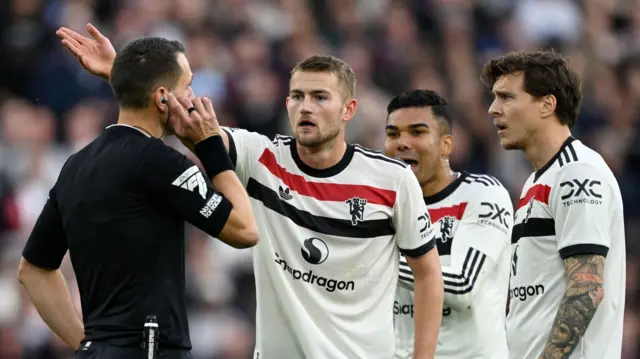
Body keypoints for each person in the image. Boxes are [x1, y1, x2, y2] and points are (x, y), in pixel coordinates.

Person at [56, 25, 445, 359]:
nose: (305, 106)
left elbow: (428, 274)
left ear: (349, 110)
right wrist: (123, 77)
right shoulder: (260, 156)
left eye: (320, 97)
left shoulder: (391, 180)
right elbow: (177, 119)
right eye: (297, 96)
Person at [17, 34, 259, 359]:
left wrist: (86, 346)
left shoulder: (76, 164)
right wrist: (210, 145)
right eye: (187, 86)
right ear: (162, 98)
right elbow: (244, 230)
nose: (192, 99)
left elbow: (33, 271)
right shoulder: (161, 162)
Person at [481, 51, 626, 359]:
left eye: (507, 97)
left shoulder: (578, 173)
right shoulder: (537, 181)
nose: (493, 109)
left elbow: (586, 289)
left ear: (547, 104)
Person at [383, 90, 512, 359]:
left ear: (446, 145)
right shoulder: (382, 209)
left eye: (417, 132)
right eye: (393, 134)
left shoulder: (483, 194)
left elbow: (464, 285)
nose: (402, 143)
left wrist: (374, 259)